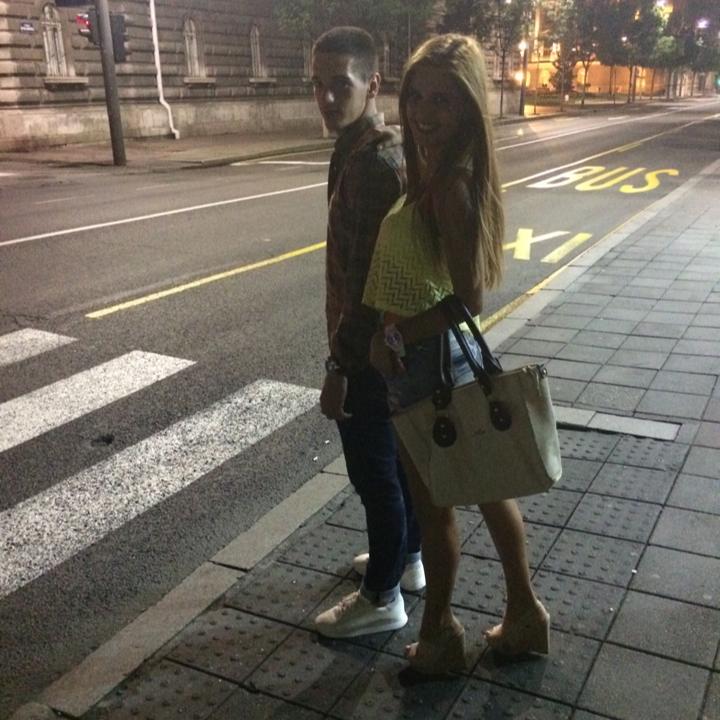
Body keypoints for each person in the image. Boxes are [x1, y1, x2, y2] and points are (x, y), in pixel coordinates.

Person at [364, 34, 549, 673]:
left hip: (426, 365)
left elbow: (468, 296)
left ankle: (441, 635)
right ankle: (524, 615)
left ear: (468, 103)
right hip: (442, 360)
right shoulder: (442, 168)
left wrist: (392, 337)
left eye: (442, 99)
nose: (423, 112)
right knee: (490, 488)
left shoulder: (452, 184)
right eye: (416, 95)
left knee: (434, 507)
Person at [310, 26, 425, 639]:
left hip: (372, 353)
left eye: (341, 84)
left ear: (372, 84)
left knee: (374, 473)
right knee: (396, 466)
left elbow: (364, 286)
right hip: (390, 348)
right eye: (318, 85)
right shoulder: (366, 149)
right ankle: (406, 560)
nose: (327, 98)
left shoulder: (372, 165)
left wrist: (339, 370)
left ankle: (382, 597)